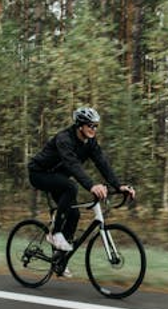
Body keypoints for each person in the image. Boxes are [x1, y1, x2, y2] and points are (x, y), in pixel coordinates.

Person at [28, 107, 135, 272]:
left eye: (96, 126)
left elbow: (102, 163)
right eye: (90, 126)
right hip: (39, 173)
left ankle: (60, 261)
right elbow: (73, 165)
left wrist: (119, 185)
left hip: (57, 178)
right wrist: (92, 185)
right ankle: (55, 233)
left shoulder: (90, 142)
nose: (94, 129)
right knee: (71, 187)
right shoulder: (64, 139)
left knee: (74, 214)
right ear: (80, 125)